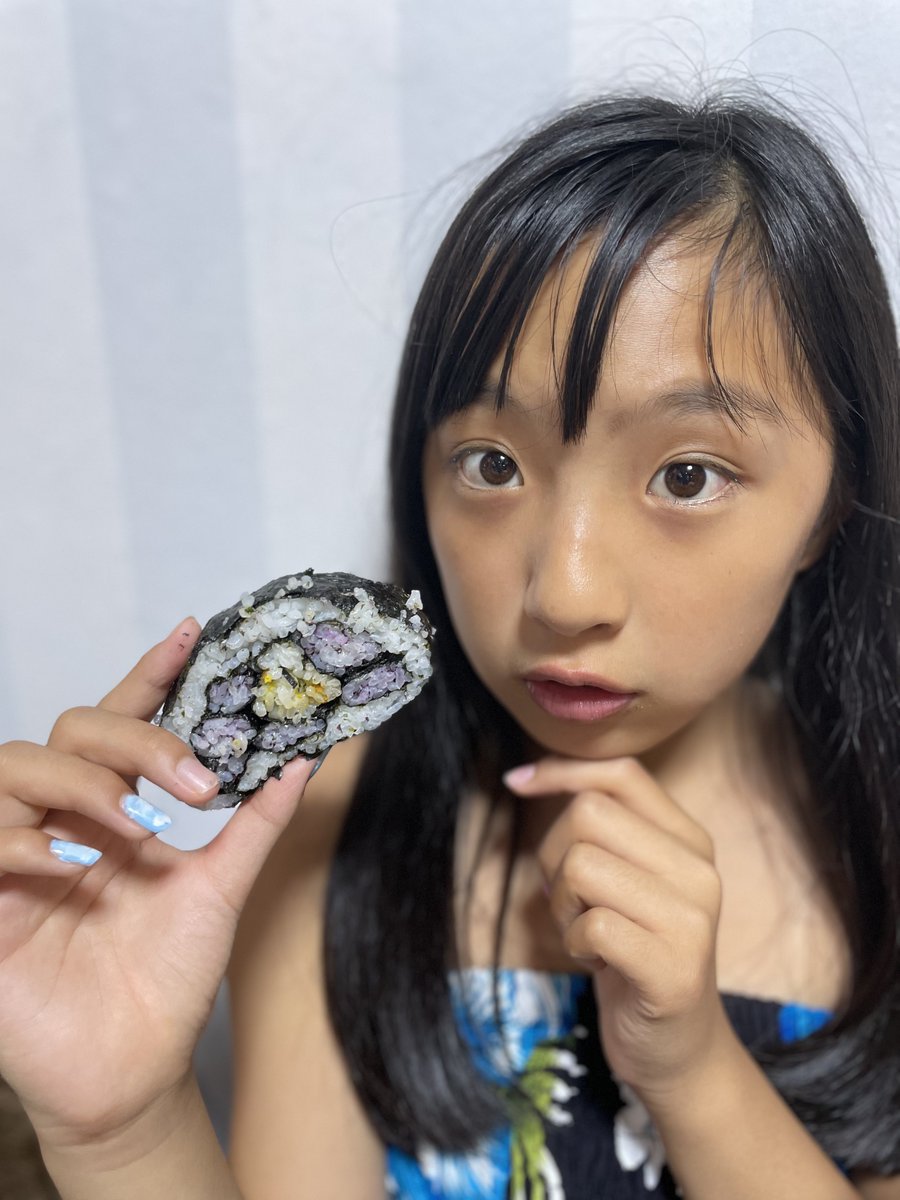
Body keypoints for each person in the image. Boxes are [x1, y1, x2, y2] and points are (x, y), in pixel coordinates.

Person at [0, 91, 898, 1200]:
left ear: (830, 505)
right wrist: (119, 1126)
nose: (565, 593)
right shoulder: (337, 812)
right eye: (492, 465)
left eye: (685, 476)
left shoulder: (877, 827)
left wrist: (695, 1073)